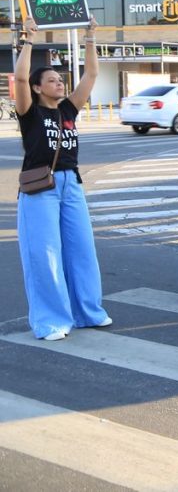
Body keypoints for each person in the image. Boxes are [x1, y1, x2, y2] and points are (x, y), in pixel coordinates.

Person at [15, 17, 111, 340]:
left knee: (82, 250)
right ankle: (51, 321)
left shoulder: (68, 110)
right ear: (37, 88)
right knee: (45, 254)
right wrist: (29, 39)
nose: (59, 83)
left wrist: (90, 36)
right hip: (41, 187)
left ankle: (87, 312)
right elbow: (20, 77)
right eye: (52, 80)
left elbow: (91, 74)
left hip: (72, 184)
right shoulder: (30, 113)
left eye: (60, 79)